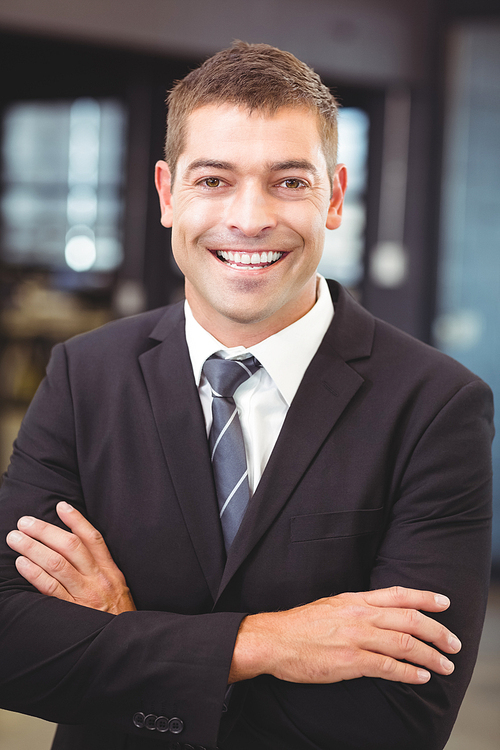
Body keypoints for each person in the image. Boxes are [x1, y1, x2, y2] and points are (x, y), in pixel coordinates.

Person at [0, 42, 493, 750]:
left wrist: (124, 636)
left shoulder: (437, 407)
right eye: (215, 180)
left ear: (335, 196)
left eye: (289, 181)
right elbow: (12, 646)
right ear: (170, 195)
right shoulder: (85, 375)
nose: (250, 218)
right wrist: (268, 643)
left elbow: (400, 720)